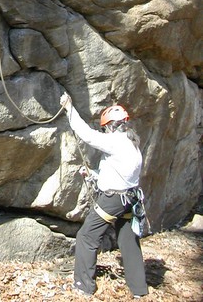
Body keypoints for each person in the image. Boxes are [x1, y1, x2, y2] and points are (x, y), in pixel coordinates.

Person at [60, 92, 148, 298]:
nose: (105, 131)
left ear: (110, 126)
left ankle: (84, 285)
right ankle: (139, 289)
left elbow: (87, 135)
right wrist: (93, 174)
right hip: (130, 199)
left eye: (105, 128)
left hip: (114, 200)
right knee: (128, 241)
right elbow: (121, 174)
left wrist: (69, 108)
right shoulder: (132, 143)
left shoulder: (116, 141)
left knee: (87, 236)